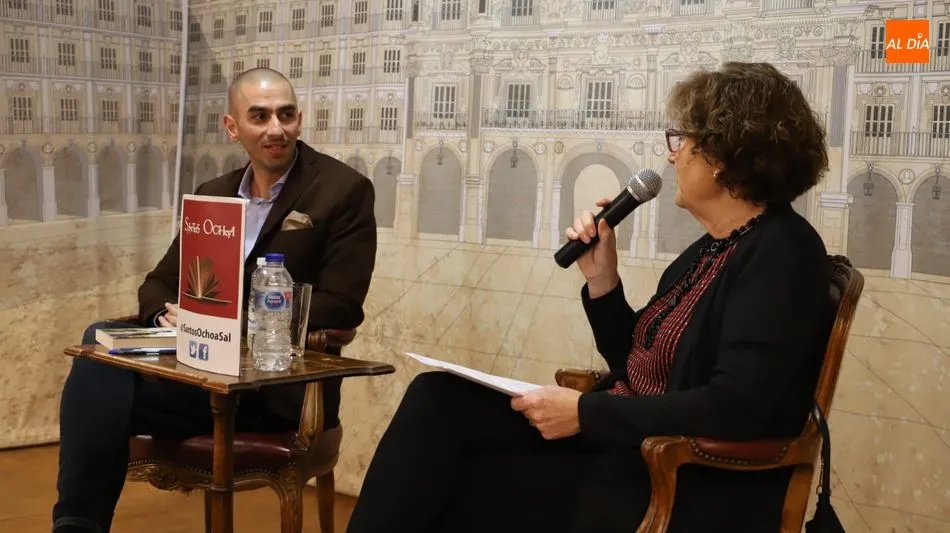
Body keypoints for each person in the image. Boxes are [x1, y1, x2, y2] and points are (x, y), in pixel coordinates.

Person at [344, 61, 833, 533]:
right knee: (439, 399)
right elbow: (639, 361)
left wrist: (585, 414)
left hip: (676, 479)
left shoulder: (783, 253)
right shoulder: (714, 246)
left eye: (682, 140)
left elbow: (738, 406)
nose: (671, 154)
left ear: (726, 153)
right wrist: (603, 282)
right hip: (626, 443)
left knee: (449, 477)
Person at [52, 67, 377, 533]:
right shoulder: (214, 194)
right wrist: (168, 314)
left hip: (275, 388)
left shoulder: (342, 190)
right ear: (232, 127)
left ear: (300, 120)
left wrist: (228, 318)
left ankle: (76, 525)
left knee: (97, 386)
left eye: (286, 115)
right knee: (97, 355)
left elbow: (342, 305)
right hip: (201, 375)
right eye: (259, 116)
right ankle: (76, 526)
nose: (276, 129)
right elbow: (158, 283)